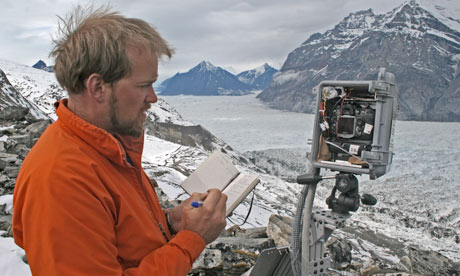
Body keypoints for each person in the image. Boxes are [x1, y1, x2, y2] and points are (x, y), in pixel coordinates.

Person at [12, 5, 227, 276]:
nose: (153, 98)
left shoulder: (106, 147)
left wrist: (171, 222)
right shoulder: (62, 179)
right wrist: (191, 240)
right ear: (98, 88)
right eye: (143, 85)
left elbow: (124, 241)